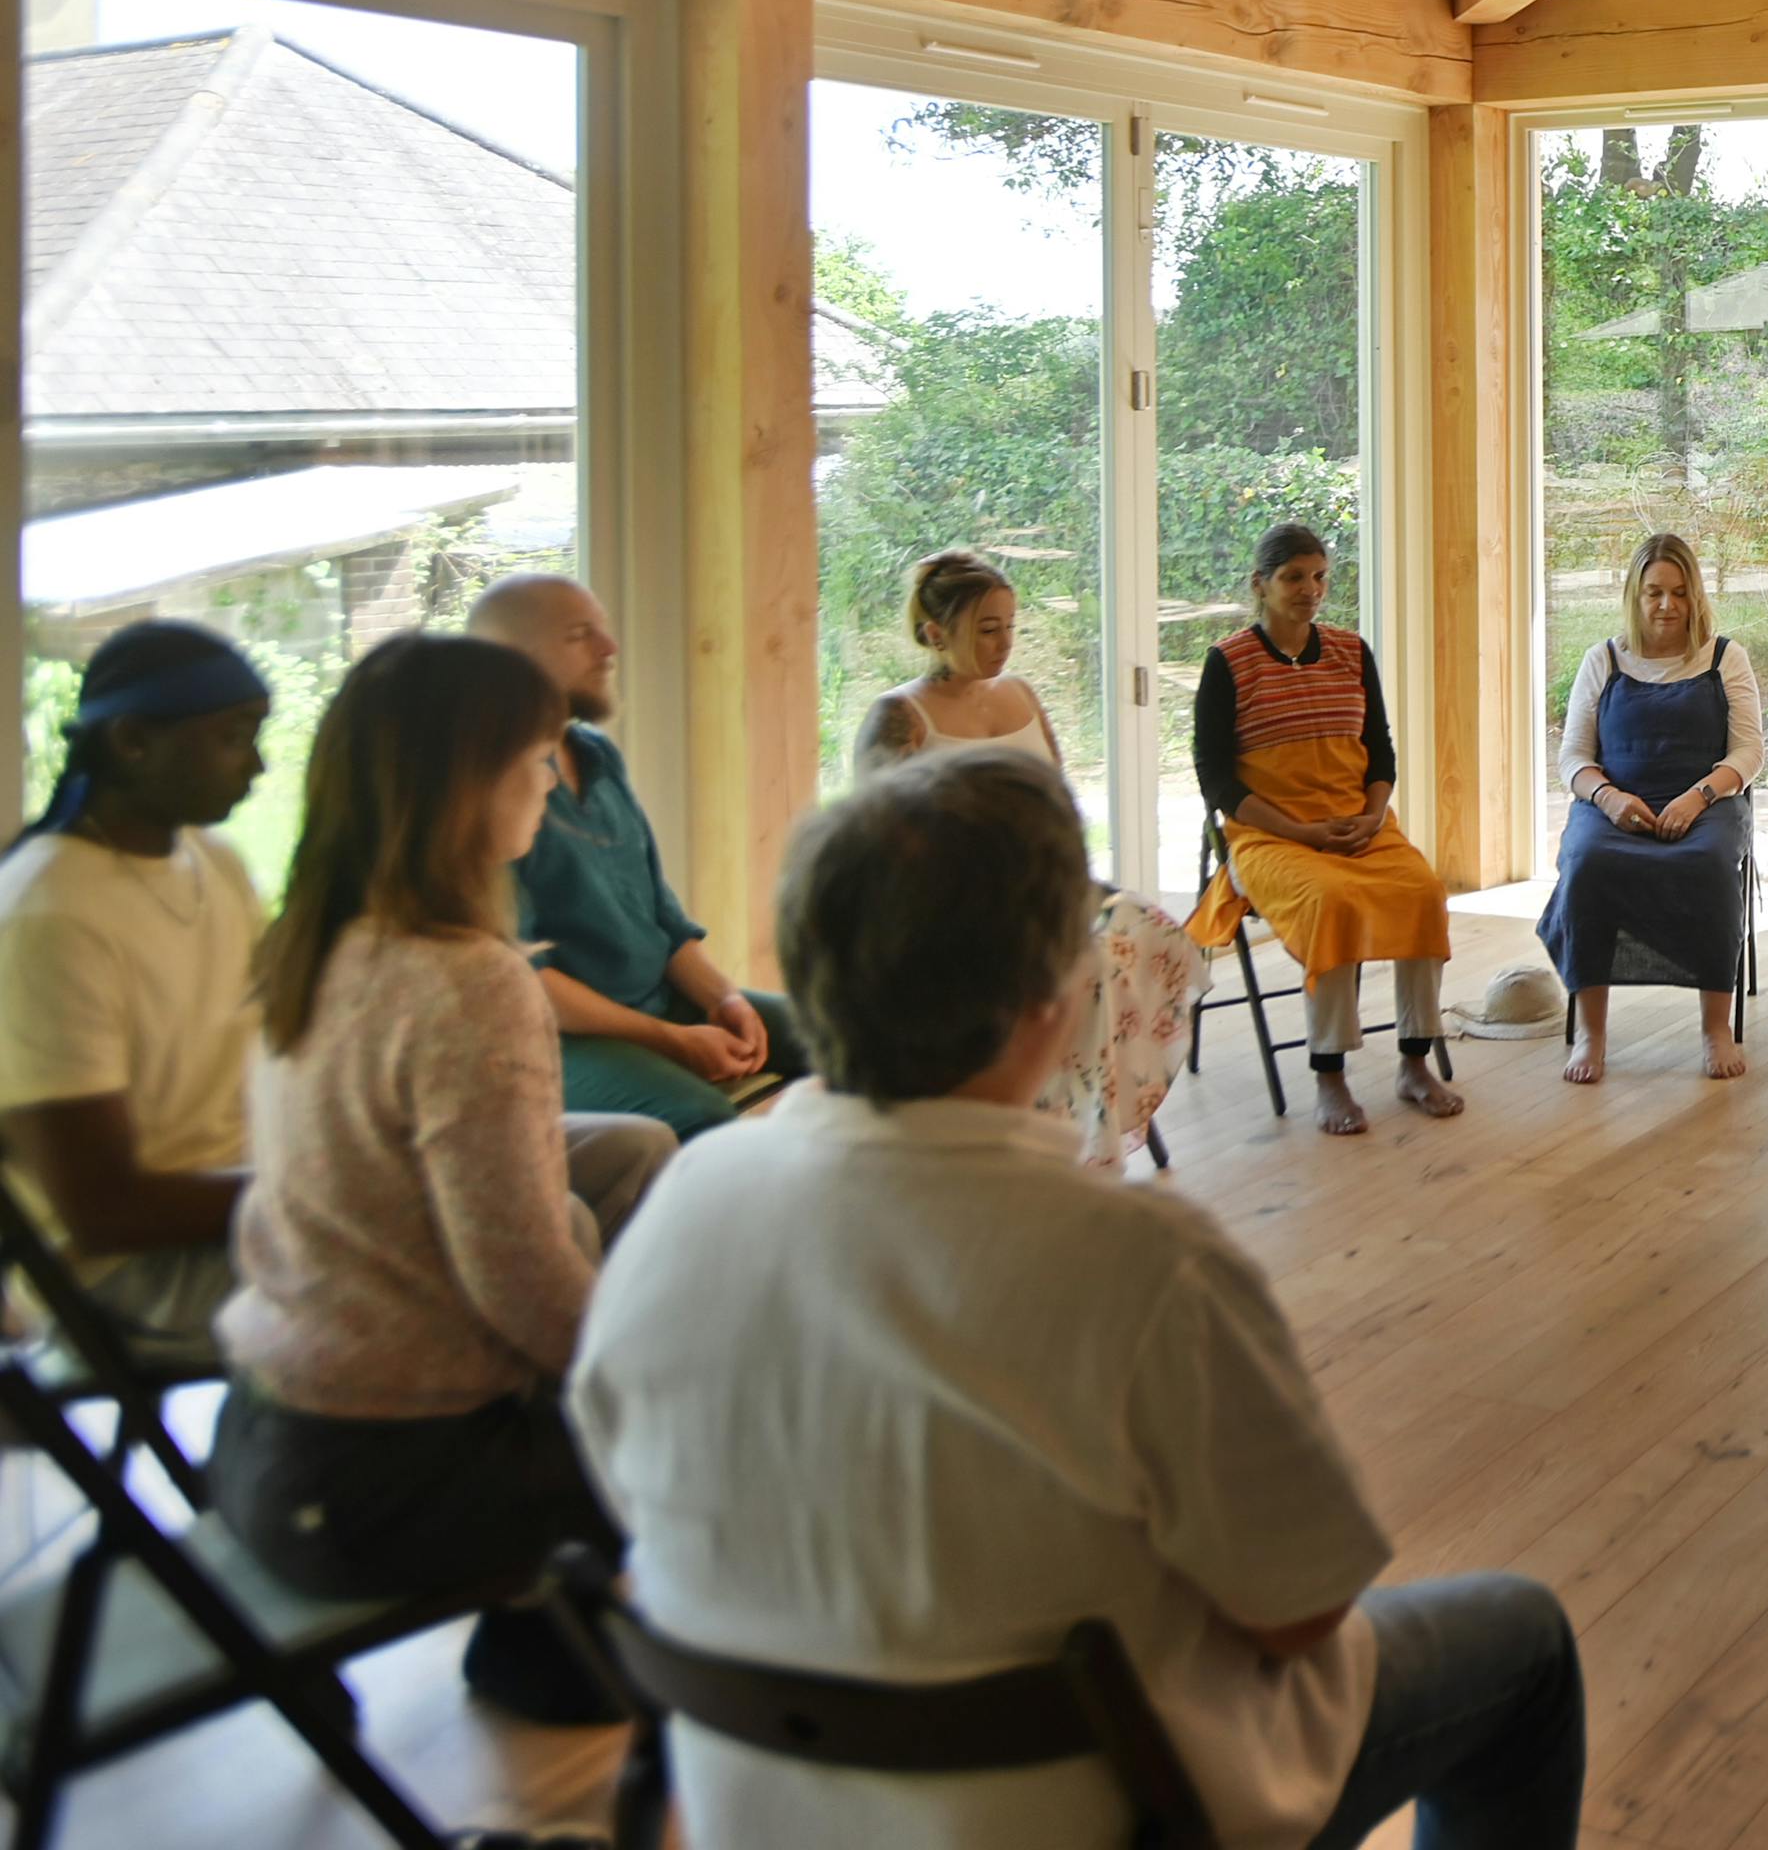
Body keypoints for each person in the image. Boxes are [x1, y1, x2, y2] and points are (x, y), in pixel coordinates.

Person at [574, 747, 1581, 1847]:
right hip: (1096, 1806)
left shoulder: (681, 1198)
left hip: (763, 1806)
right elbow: (1298, 1611)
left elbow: (618, 1483)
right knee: (1522, 1643)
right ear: (1055, 998)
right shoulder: (1140, 1258)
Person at [211, 635, 677, 1726]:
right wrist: (668, 1376)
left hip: (264, 1445)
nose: (547, 784)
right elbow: (522, 1288)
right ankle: (591, 1642)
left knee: (599, 1192)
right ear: (469, 787)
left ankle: (547, 1632)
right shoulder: (467, 982)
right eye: (534, 760)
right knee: (732, 1419)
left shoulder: (318, 940)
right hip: (382, 1486)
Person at [853, 548, 1187, 1166]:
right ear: (933, 633)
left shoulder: (1022, 695)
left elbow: (1059, 799)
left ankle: (1092, 1123)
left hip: (1043, 888)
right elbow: (875, 842)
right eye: (987, 629)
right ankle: (1058, 1141)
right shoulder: (900, 715)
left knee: (1146, 932)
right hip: (952, 910)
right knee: (1081, 966)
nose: (1005, 642)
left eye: (1010, 625)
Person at [0, 622, 271, 1363]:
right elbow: (102, 1211)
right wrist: (321, 1194)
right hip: (125, 1278)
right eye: (234, 735)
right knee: (440, 1278)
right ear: (131, 742)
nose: (259, 762)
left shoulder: (217, 866)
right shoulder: (47, 910)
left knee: (563, 1192)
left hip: (247, 1211)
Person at [472, 574, 811, 1139]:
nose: (611, 649)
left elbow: (662, 918)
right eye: (581, 635)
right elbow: (528, 980)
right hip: (564, 1041)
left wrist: (724, 998)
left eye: (604, 629)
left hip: (662, 1004)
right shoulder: (492, 789)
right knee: (702, 1120)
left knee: (859, 1043)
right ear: (511, 658)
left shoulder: (597, 754)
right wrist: (674, 1041)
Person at [1186, 523, 1461, 1134]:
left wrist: (1369, 816)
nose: (1310, 590)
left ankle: (1414, 1065)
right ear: (1260, 585)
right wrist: (1302, 833)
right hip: (1270, 836)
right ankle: (1329, 1076)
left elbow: (1380, 752)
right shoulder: (1227, 663)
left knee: (1421, 892)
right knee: (1331, 901)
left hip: (1359, 824)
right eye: (1293, 578)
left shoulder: (1350, 651)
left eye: (1318, 578)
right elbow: (1217, 781)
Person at [1540, 531, 1762, 1085]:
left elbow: (1748, 751)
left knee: (1709, 865)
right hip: (1615, 805)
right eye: (1654, 592)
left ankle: (1716, 1027)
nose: (1667, 605)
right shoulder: (1604, 660)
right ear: (1634, 596)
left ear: (1697, 596)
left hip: (1706, 802)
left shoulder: (1724, 658)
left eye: (1680, 592)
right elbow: (1572, 757)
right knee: (1588, 864)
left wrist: (1700, 795)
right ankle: (1593, 1033)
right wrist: (1609, 798)